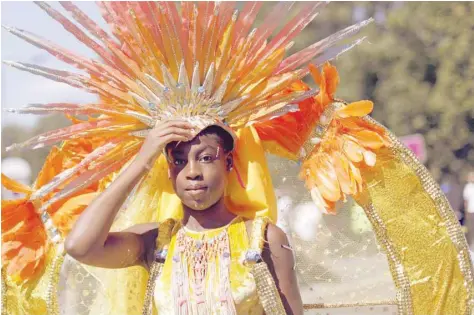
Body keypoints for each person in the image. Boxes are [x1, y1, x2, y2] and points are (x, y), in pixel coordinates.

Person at [2, 2, 473, 315]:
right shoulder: (153, 244)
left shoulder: (265, 240)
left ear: (230, 163)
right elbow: (82, 246)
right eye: (180, 160)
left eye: (206, 157)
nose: (193, 172)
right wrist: (144, 154)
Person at [464, 171, 474, 247]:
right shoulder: (468, 187)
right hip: (470, 211)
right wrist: (466, 211)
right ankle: (469, 244)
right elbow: (466, 201)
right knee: (470, 229)